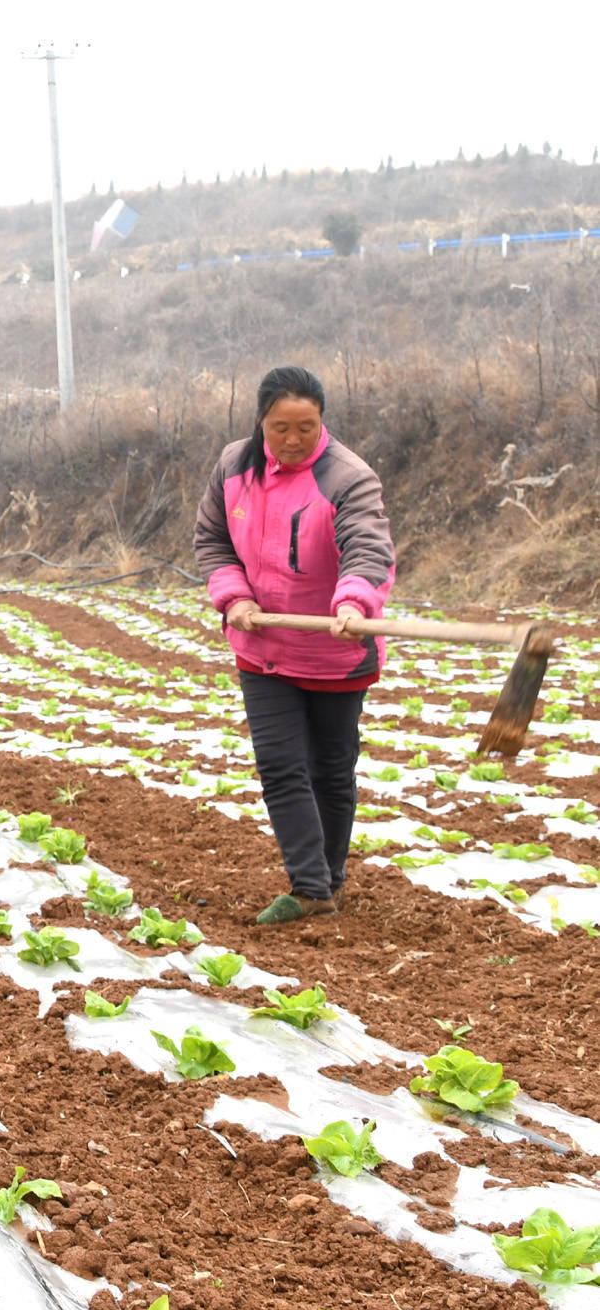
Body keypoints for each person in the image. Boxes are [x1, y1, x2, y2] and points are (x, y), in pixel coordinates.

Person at [193, 365, 394, 924]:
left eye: (306, 426)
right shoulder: (235, 466)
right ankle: (309, 888)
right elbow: (211, 540)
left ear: (321, 421)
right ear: (261, 422)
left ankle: (330, 882)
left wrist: (352, 603)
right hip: (262, 646)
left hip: (335, 649)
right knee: (281, 765)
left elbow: (368, 549)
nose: (294, 439)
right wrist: (234, 598)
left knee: (332, 768)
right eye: (281, 427)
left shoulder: (348, 477)